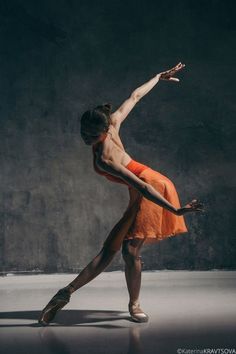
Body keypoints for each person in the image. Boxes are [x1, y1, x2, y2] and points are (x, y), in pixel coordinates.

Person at [38, 62, 204, 325]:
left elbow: (143, 186)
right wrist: (158, 77)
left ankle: (134, 304)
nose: (86, 137)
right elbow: (135, 96)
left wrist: (175, 209)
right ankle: (65, 293)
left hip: (151, 186)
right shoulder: (111, 122)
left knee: (129, 251)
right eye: (83, 132)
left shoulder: (105, 157)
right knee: (109, 250)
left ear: (104, 131)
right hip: (139, 190)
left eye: (92, 135)